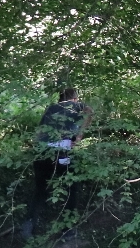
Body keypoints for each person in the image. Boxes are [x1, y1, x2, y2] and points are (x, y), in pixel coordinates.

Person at [21, 86, 92, 239]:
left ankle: (28, 224)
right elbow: (89, 111)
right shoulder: (74, 105)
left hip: (41, 153)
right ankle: (68, 229)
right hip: (62, 152)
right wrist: (79, 136)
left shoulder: (51, 108)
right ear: (73, 98)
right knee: (70, 188)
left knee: (40, 190)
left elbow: (38, 133)